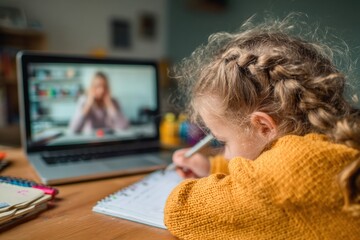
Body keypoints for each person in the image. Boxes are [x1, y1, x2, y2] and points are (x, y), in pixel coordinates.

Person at [164, 14, 360, 239]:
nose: (226, 155)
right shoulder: (327, 147)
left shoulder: (285, 178)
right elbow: (259, 174)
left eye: (223, 141)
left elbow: (181, 208)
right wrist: (211, 168)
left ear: (264, 127)